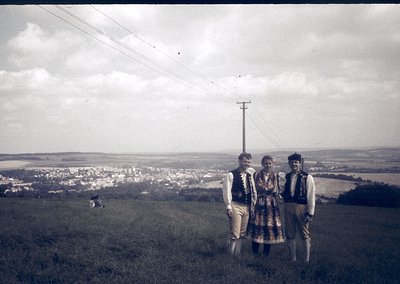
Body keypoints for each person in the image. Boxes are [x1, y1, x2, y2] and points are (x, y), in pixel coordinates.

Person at [282, 153, 316, 263]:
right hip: (288, 207)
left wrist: (310, 213)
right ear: (289, 163)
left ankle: (306, 259)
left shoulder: (307, 177)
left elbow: (311, 195)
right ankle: (293, 259)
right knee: (290, 233)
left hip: (301, 207)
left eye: (296, 162)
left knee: (304, 233)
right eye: (291, 162)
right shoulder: (287, 176)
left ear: (300, 163)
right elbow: (283, 191)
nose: (293, 164)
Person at [249, 155, 285, 256]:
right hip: (259, 204)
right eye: (266, 163)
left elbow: (279, 191)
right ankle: (254, 253)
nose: (268, 165)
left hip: (271, 205)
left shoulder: (276, 176)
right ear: (262, 164)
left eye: (270, 163)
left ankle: (266, 254)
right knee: (257, 227)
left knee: (268, 228)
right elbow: (253, 190)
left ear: (273, 164)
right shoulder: (256, 175)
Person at [222, 152, 257, 257]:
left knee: (242, 233)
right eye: (245, 161)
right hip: (235, 205)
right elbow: (227, 191)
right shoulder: (231, 175)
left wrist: (253, 206)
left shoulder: (251, 174)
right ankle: (230, 256)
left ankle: (237, 255)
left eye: (249, 162)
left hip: (247, 206)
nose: (247, 164)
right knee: (235, 233)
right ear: (239, 161)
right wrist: (228, 206)